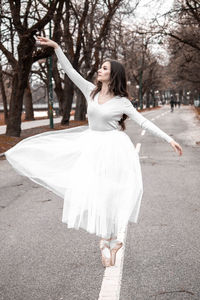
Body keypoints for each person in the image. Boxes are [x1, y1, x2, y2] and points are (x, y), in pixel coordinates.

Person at [4, 36, 183, 268]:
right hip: (92, 147)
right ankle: (108, 241)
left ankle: (110, 241)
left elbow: (144, 123)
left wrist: (169, 139)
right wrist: (57, 47)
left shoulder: (123, 102)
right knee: (96, 194)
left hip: (114, 150)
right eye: (101, 67)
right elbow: (70, 71)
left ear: (114, 74)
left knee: (110, 195)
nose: (99, 70)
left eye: (104, 68)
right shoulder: (90, 91)